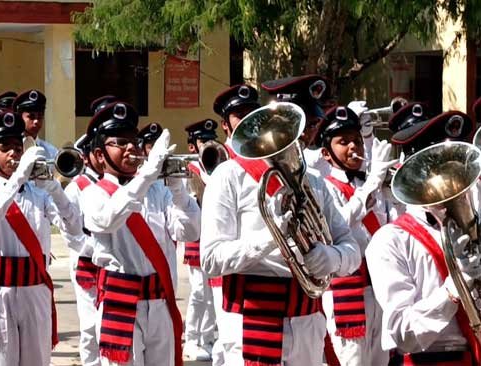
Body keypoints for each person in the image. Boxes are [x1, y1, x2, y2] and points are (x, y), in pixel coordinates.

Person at [200, 96, 361, 365]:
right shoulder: (228, 176)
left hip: (306, 318)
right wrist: (270, 237)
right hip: (251, 316)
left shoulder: (316, 183)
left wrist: (333, 257)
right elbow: (211, 259)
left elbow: (351, 248)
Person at [81, 101, 201, 366]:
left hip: (160, 300)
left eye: (133, 141)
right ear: (100, 155)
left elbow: (190, 231)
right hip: (120, 301)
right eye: (120, 142)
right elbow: (109, 218)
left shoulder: (157, 191)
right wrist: (148, 172)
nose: (131, 148)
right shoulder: (93, 193)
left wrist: (178, 188)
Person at [0, 110, 81, 365]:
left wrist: (54, 188)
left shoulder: (38, 193)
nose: (13, 155)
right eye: (4, 148)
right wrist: (18, 178)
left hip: (35, 287)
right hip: (0, 289)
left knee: (37, 360)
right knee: (0, 360)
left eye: (17, 148)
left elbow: (73, 227)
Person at [366, 111, 479, 365]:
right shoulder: (389, 241)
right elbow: (402, 334)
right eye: (441, 169)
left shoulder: (476, 225)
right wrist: (453, 289)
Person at [318, 106, 397, 365]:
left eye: (356, 140)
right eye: (343, 142)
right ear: (326, 154)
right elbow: (338, 223)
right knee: (352, 360)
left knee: (381, 360)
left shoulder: (370, 182)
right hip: (347, 288)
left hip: (379, 287)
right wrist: (374, 182)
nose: (353, 147)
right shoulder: (324, 187)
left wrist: (389, 189)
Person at [209, 84, 262, 366]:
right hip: (242, 289)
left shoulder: (275, 158)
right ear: (225, 124)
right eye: (238, 115)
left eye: (252, 112)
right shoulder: (223, 164)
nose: (247, 119)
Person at [60, 99, 109, 366]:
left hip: (110, 260)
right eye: (97, 153)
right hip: (87, 258)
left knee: (109, 320)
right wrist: (95, 248)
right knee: (90, 324)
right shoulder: (76, 186)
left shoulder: (114, 183)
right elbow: (72, 234)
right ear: (87, 155)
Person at [179, 118, 223, 362]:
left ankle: (207, 336)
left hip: (214, 234)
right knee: (199, 291)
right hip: (197, 235)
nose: (208, 144)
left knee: (213, 290)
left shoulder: (217, 166)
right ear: (193, 147)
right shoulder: (189, 169)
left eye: (210, 139)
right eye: (203, 141)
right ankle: (192, 337)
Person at [261, 74, 332, 177]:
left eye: (312, 125)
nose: (303, 133)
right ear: (273, 122)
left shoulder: (317, 180)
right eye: (295, 123)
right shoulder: (235, 172)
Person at [12, 89, 58, 159]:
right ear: (20, 117)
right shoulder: (11, 150)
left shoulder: (51, 152)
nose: (36, 121)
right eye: (31, 117)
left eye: (40, 117)